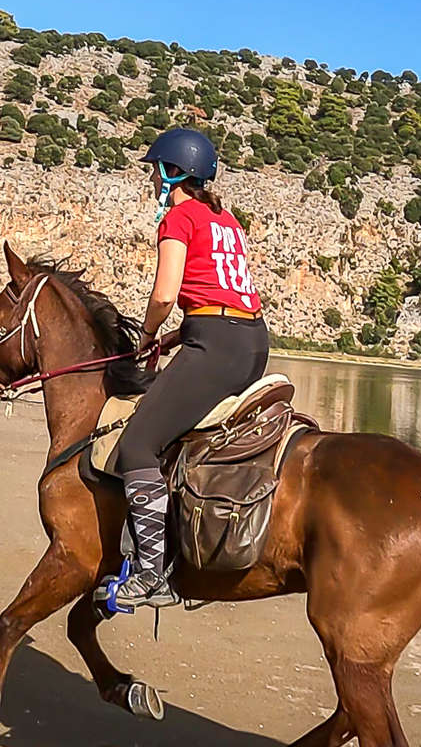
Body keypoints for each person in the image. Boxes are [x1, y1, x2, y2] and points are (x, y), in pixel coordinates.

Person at [98, 127, 269, 610]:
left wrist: (150, 335)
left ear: (174, 173)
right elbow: (221, 292)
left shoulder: (179, 217)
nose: (153, 180)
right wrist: (181, 335)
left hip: (215, 345)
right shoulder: (226, 219)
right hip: (251, 341)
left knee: (137, 445)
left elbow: (165, 293)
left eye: (157, 170)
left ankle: (151, 573)